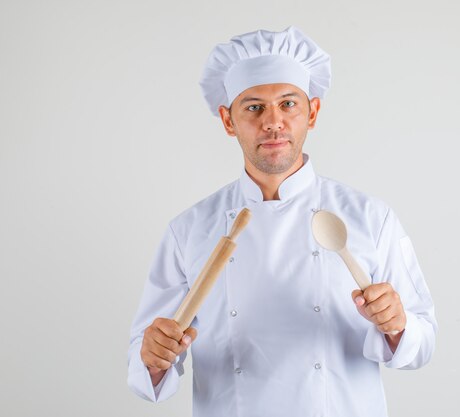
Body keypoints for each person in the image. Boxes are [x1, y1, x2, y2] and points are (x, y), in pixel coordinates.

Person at [127, 26, 437, 417]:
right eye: (254, 107)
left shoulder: (369, 217)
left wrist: (398, 326)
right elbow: (145, 365)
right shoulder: (190, 229)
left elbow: (422, 344)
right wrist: (152, 356)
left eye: (288, 104)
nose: (273, 122)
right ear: (227, 120)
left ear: (314, 112)